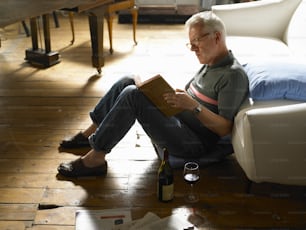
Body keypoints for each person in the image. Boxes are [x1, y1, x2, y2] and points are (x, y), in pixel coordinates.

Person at [57, 11, 249, 178]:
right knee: (129, 81)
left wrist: (193, 106)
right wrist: (173, 95)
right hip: (180, 121)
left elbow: (224, 129)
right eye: (190, 44)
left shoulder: (233, 75)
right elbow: (195, 97)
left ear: (217, 37)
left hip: (193, 142)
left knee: (133, 95)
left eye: (197, 41)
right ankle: (89, 134)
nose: (193, 49)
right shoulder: (211, 63)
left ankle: (95, 159)